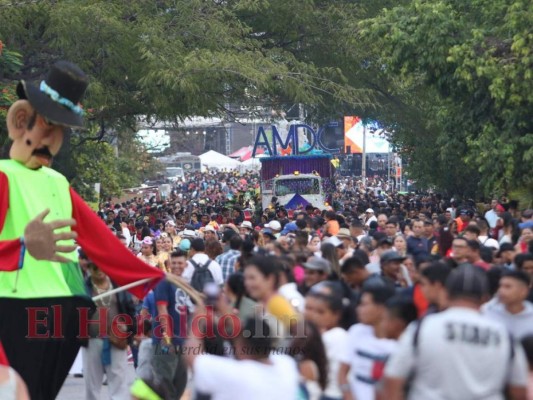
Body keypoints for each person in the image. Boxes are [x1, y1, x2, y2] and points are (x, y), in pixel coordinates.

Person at [0, 61, 164, 400]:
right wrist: (23, 246)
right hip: (15, 304)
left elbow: (100, 240)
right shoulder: (4, 176)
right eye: (46, 124)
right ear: (21, 121)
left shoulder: (58, 182)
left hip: (65, 307)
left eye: (59, 129)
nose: (51, 139)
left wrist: (152, 277)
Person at [383, 265, 529, 400]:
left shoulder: (423, 327)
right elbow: (519, 390)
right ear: (484, 298)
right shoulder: (504, 335)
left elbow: (393, 379)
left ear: (447, 293)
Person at [185, 315, 299, 400]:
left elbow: (192, 356)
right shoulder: (286, 365)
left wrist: (198, 321)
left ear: (242, 345)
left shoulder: (240, 375)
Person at [83, 262, 135, 400]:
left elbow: (129, 308)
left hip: (116, 339)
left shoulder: (118, 286)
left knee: (118, 380)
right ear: (89, 269)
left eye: (102, 266)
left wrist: (129, 330)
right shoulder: (83, 287)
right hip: (92, 339)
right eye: (94, 268)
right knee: (91, 381)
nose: (99, 271)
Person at [338, 285, 396, 400]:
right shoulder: (356, 331)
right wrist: (348, 395)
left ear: (381, 308)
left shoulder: (398, 342)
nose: (358, 309)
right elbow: (342, 372)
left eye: (364, 305)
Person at [305, 282, 350, 400]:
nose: (314, 315)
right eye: (309, 309)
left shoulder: (335, 336)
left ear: (336, 315)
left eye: (321, 312)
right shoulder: (322, 334)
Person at [482, 270, 533, 340]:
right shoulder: (486, 312)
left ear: (523, 291)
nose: (501, 290)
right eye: (500, 286)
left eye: (507, 287)